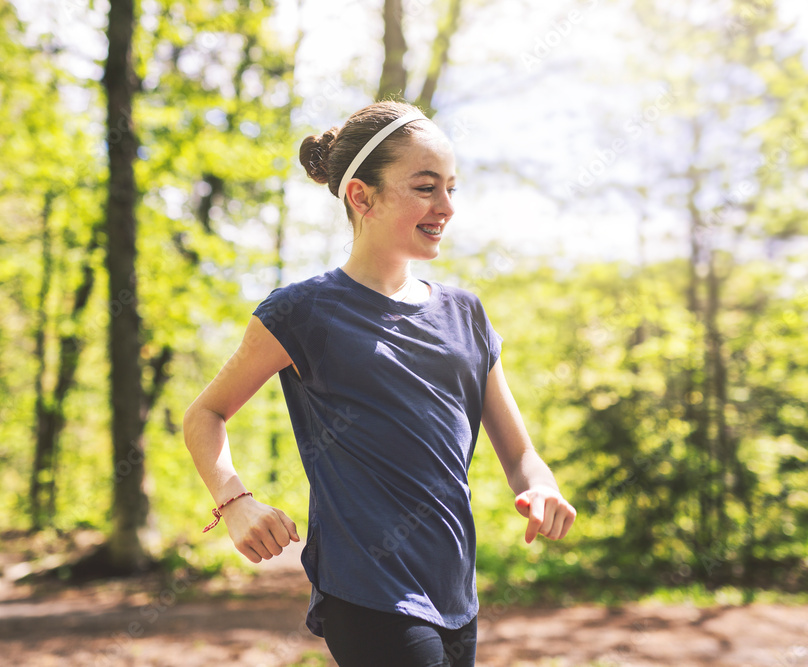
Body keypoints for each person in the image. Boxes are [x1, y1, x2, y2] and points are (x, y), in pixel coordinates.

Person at [183, 100, 577, 667]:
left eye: (451, 188)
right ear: (361, 196)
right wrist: (236, 501)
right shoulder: (303, 312)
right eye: (424, 187)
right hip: (367, 589)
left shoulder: (467, 315)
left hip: (455, 593)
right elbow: (205, 413)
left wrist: (541, 488)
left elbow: (521, 457)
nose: (445, 207)